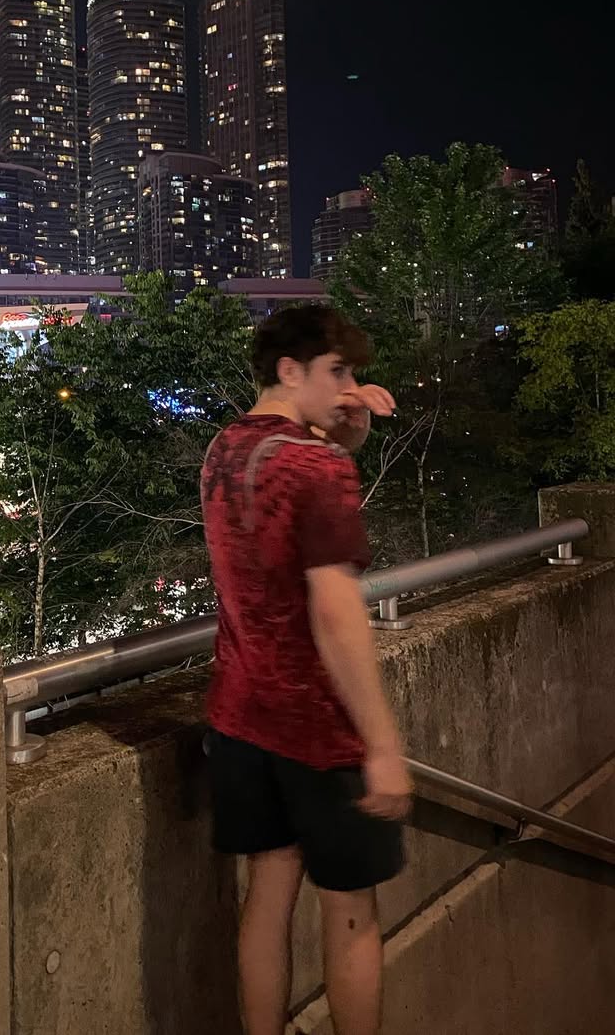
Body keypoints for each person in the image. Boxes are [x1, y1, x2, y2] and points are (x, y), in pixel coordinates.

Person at [201, 305, 411, 1035]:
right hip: (318, 730)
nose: (350, 386)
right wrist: (382, 745)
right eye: (337, 370)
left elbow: (277, 514)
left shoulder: (224, 448)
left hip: (239, 717)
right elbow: (335, 611)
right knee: (352, 914)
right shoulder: (316, 466)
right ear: (291, 371)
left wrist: (346, 433)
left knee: (267, 894)